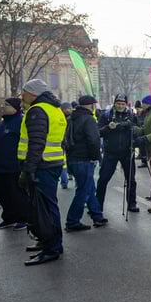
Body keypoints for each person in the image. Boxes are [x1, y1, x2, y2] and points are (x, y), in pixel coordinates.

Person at [18, 79, 67, 266]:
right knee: (49, 206)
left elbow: (36, 143)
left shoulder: (37, 111)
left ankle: (51, 248)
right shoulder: (55, 110)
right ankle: (53, 243)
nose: (22, 96)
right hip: (52, 164)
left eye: (24, 93)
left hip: (41, 166)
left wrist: (28, 170)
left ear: (33, 94)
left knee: (44, 209)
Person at [63, 95, 107, 232]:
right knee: (82, 191)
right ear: (92, 105)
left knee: (89, 188)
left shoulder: (72, 118)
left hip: (73, 158)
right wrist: (97, 157)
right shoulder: (88, 119)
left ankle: (97, 216)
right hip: (84, 159)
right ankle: (72, 221)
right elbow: (93, 140)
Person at [0, 98, 30, 231]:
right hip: (0, 166)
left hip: (15, 165)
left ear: (15, 108)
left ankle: (23, 218)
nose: (3, 107)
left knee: (17, 194)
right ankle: (9, 218)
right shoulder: (3, 123)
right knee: (3, 193)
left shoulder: (21, 121)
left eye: (6, 105)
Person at [96, 94, 139, 213]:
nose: (120, 106)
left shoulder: (131, 115)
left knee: (131, 179)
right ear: (114, 103)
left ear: (126, 104)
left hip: (127, 152)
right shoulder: (106, 115)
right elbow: (98, 132)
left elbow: (138, 130)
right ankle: (97, 206)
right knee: (103, 180)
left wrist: (131, 129)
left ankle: (132, 204)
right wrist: (108, 128)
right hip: (110, 153)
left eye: (123, 104)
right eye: (118, 103)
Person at [59, 102, 74, 190]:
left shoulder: (63, 118)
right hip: (64, 143)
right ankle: (66, 179)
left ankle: (65, 180)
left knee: (64, 162)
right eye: (66, 109)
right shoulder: (71, 118)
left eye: (69, 108)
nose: (68, 110)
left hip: (65, 143)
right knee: (64, 163)